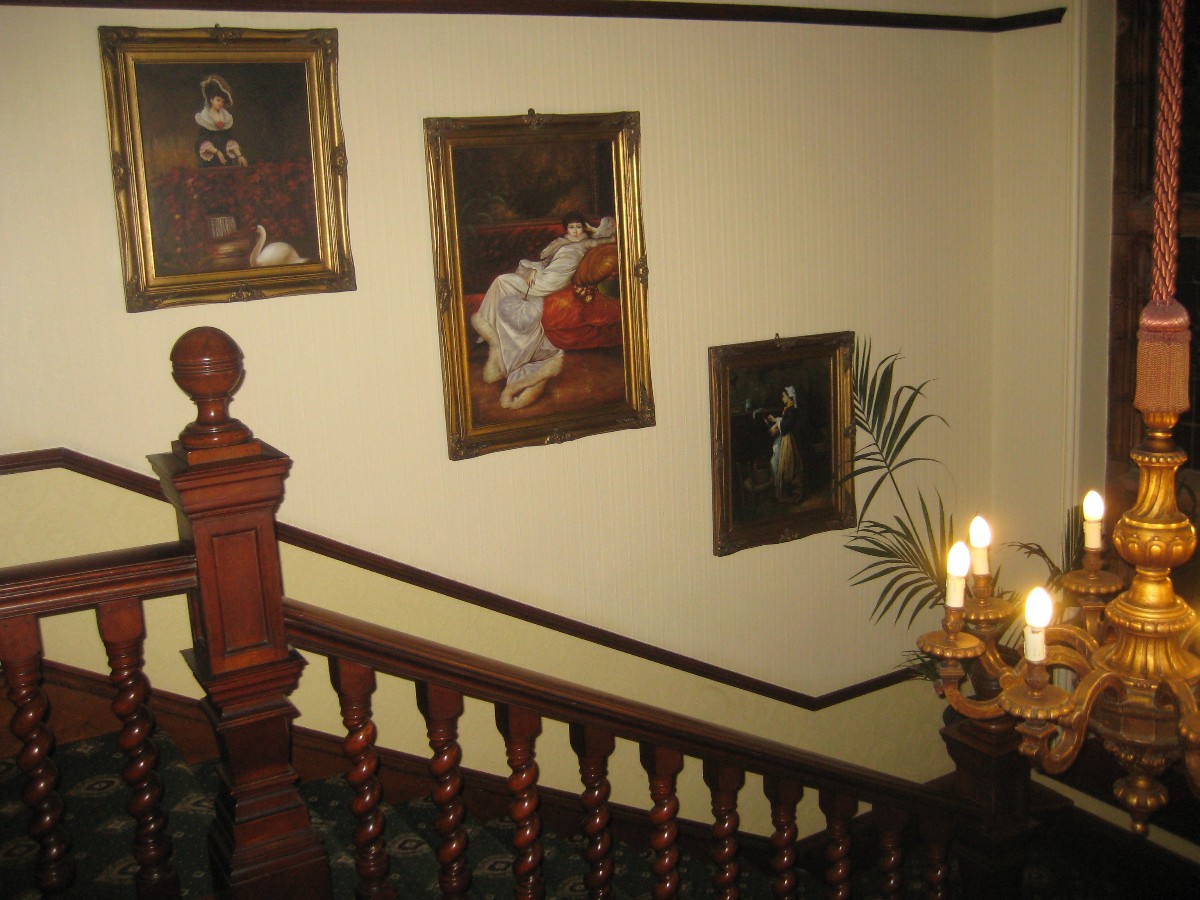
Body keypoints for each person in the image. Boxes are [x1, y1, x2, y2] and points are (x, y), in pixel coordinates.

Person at [471, 213, 615, 410]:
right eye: (571, 227)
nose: (575, 231)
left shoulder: (586, 244)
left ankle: (486, 324)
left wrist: (592, 229)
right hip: (544, 275)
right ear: (566, 229)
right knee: (502, 284)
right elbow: (544, 264)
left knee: (502, 281)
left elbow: (611, 236)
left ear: (583, 229)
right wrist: (533, 271)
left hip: (552, 281)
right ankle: (493, 332)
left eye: (578, 227)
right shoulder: (561, 244)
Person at [195, 75, 248, 168]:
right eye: (218, 100)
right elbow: (201, 141)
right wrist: (217, 152)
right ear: (211, 100)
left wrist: (239, 156)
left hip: (226, 160)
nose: (220, 103)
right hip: (210, 161)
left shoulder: (226, 118)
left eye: (222, 101)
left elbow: (230, 138)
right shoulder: (205, 119)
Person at [766, 386, 803, 500]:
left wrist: (776, 424)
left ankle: (795, 493)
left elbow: (786, 426)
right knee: (778, 463)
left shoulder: (792, 409)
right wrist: (775, 420)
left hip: (789, 440)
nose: (782, 398)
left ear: (789, 396)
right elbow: (784, 421)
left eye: (784, 396)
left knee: (789, 466)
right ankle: (785, 491)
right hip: (785, 437)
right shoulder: (788, 408)